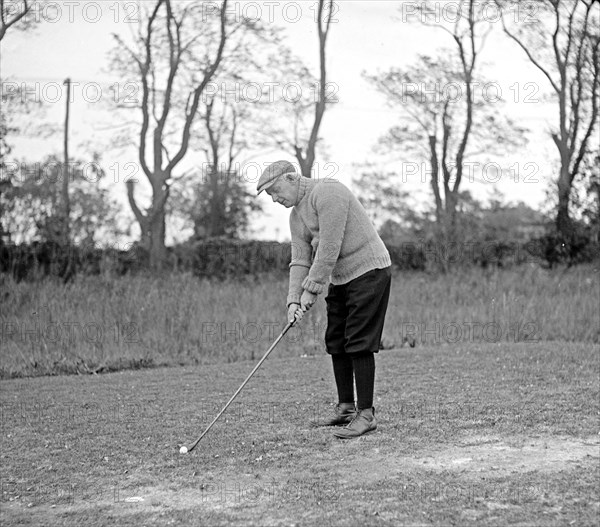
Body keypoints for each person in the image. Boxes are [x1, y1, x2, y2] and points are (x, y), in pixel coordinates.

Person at [257, 160, 392, 439]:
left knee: (358, 340)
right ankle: (346, 408)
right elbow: (300, 259)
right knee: (336, 339)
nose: (274, 198)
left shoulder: (328, 192)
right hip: (341, 277)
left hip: (370, 270)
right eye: (269, 195)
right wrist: (293, 300)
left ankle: (366, 414)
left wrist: (312, 289)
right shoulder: (296, 216)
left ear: (292, 177)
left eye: (274, 190)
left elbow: (330, 247)